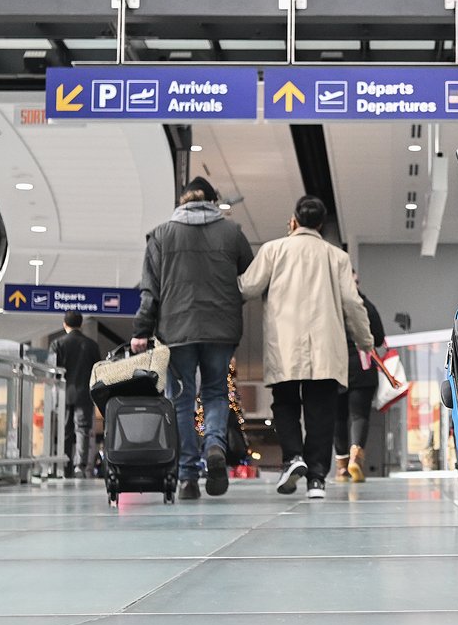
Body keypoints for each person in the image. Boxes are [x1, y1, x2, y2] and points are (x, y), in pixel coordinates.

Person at [239, 196, 374, 501]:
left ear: (294, 220)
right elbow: (353, 303)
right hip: (325, 349)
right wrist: (365, 341)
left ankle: (293, 457)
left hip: (284, 344)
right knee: (321, 413)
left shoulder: (273, 250)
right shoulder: (337, 257)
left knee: (285, 404)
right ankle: (316, 479)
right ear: (321, 224)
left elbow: (247, 287)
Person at [133, 176, 254, 501]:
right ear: (213, 202)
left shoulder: (161, 235)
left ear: (181, 202)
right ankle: (214, 445)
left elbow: (150, 291)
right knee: (215, 392)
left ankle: (188, 476)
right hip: (221, 329)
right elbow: (250, 278)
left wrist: (141, 330)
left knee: (182, 400)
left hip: (177, 330)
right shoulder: (232, 232)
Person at [334, 271, 387, 483]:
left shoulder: (331, 305)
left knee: (338, 417)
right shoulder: (367, 306)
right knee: (359, 416)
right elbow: (379, 337)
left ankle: (341, 467)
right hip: (362, 366)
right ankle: (356, 457)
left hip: (336, 367)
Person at [49, 310, 100, 478]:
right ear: (81, 324)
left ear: (64, 324)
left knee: (65, 430)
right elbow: (98, 371)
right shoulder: (91, 345)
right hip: (85, 394)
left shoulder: (57, 344)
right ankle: (80, 466)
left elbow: (53, 372)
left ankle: (64, 466)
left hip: (64, 394)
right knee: (83, 429)